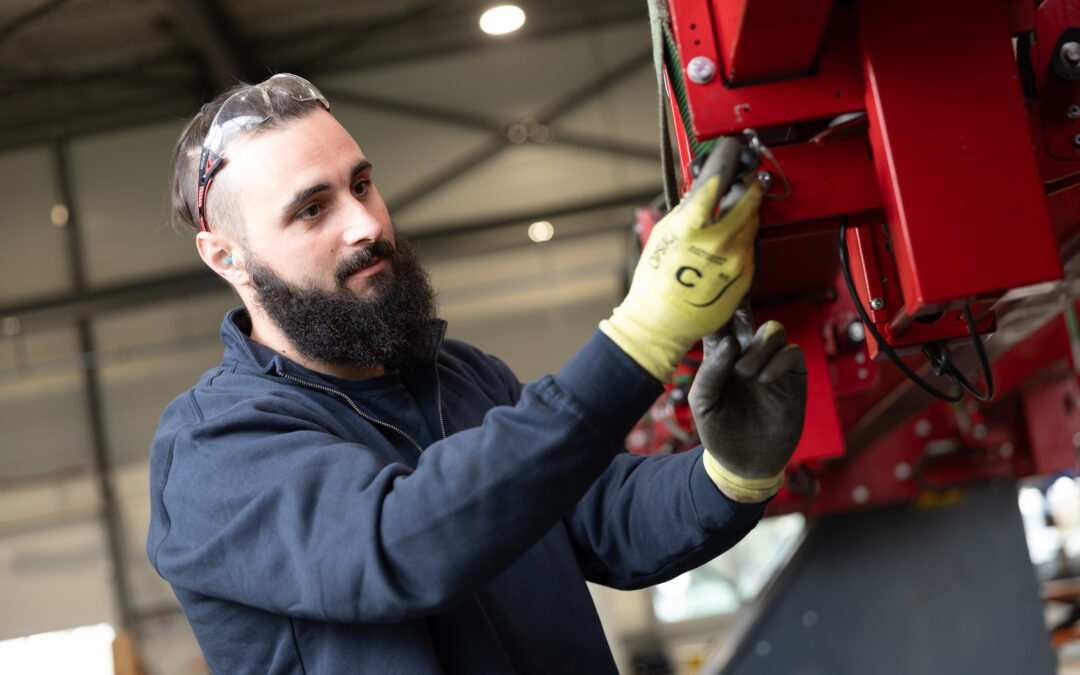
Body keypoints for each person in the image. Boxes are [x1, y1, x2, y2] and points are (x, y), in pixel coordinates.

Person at [146, 73, 807, 674]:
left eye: (362, 184)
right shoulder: (212, 449)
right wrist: (640, 338)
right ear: (226, 256)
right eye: (312, 209)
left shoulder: (459, 376)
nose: (368, 224)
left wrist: (727, 472)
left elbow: (605, 516)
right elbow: (402, 544)